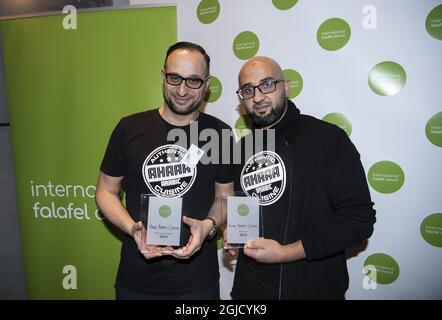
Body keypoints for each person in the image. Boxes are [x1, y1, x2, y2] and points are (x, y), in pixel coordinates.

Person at [226, 56, 376, 299]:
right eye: (248, 89)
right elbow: (246, 206)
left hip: (313, 288)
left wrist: (286, 253)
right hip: (249, 291)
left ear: (286, 86)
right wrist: (235, 235)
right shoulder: (241, 148)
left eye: (267, 84)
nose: (257, 97)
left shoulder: (327, 139)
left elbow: (358, 220)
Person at [95, 42, 234, 300]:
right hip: (136, 281)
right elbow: (105, 191)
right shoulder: (129, 128)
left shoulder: (220, 134)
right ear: (163, 76)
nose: (182, 90)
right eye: (174, 78)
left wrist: (209, 225)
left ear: (207, 83)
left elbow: (224, 197)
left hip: (198, 284)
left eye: (193, 81)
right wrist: (132, 228)